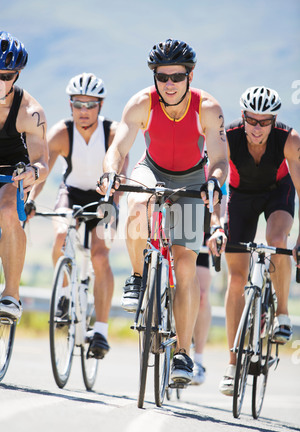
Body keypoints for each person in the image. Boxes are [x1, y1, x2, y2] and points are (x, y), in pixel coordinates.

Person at [98, 39, 228, 384]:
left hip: (190, 179)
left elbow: (218, 159)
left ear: (190, 75)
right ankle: (139, 277)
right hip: (150, 170)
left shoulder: (208, 108)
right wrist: (110, 172)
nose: (169, 83)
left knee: (185, 265)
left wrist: (213, 182)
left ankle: (183, 354)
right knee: (136, 203)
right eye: (162, 76)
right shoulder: (143, 103)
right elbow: (118, 148)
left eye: (177, 76)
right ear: (154, 76)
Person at [27, 72, 127, 359]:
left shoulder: (112, 133)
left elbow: (119, 173)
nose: (84, 111)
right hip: (71, 192)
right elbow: (43, 171)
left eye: (90, 105)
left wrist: (111, 205)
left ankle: (101, 332)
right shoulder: (60, 132)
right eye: (78, 104)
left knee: (100, 254)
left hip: (104, 195)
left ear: (101, 105)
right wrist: (32, 199)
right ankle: (65, 296)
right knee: (60, 235)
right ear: (70, 105)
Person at [219, 86, 300, 396]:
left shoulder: (289, 140)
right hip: (239, 199)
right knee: (236, 279)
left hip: (278, 194)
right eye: (251, 120)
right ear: (243, 118)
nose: (256, 128)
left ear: (273, 120)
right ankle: (231, 363)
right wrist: (215, 223)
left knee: (276, 239)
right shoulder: (229, 138)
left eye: (263, 122)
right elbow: (215, 180)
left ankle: (281, 313)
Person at [0, 31, 49, 321]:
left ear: (17, 75)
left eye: (6, 75)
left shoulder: (30, 112)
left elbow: (42, 163)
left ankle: (11, 294)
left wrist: (33, 173)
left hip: (14, 174)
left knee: (7, 210)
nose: (0, 81)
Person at [192, 183, 227, 385]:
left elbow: (224, 196)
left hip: (206, 223)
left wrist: (218, 226)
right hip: (178, 214)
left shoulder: (216, 157)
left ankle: (198, 359)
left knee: (202, 296)